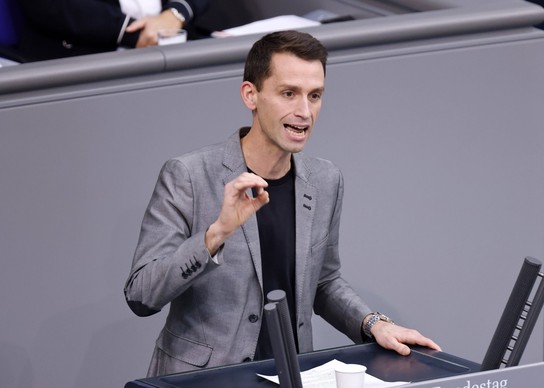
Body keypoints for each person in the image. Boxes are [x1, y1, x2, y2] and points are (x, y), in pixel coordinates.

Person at [124, 30, 441, 377]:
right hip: (203, 380)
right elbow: (142, 295)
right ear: (251, 95)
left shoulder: (325, 179)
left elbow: (323, 283)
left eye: (315, 95)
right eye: (289, 93)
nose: (304, 111)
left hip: (289, 376)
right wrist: (216, 234)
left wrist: (373, 323)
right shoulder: (188, 175)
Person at [17, 0, 208, 61]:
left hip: (178, 45)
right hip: (81, 61)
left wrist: (176, 13)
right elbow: (50, 7)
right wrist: (131, 32)